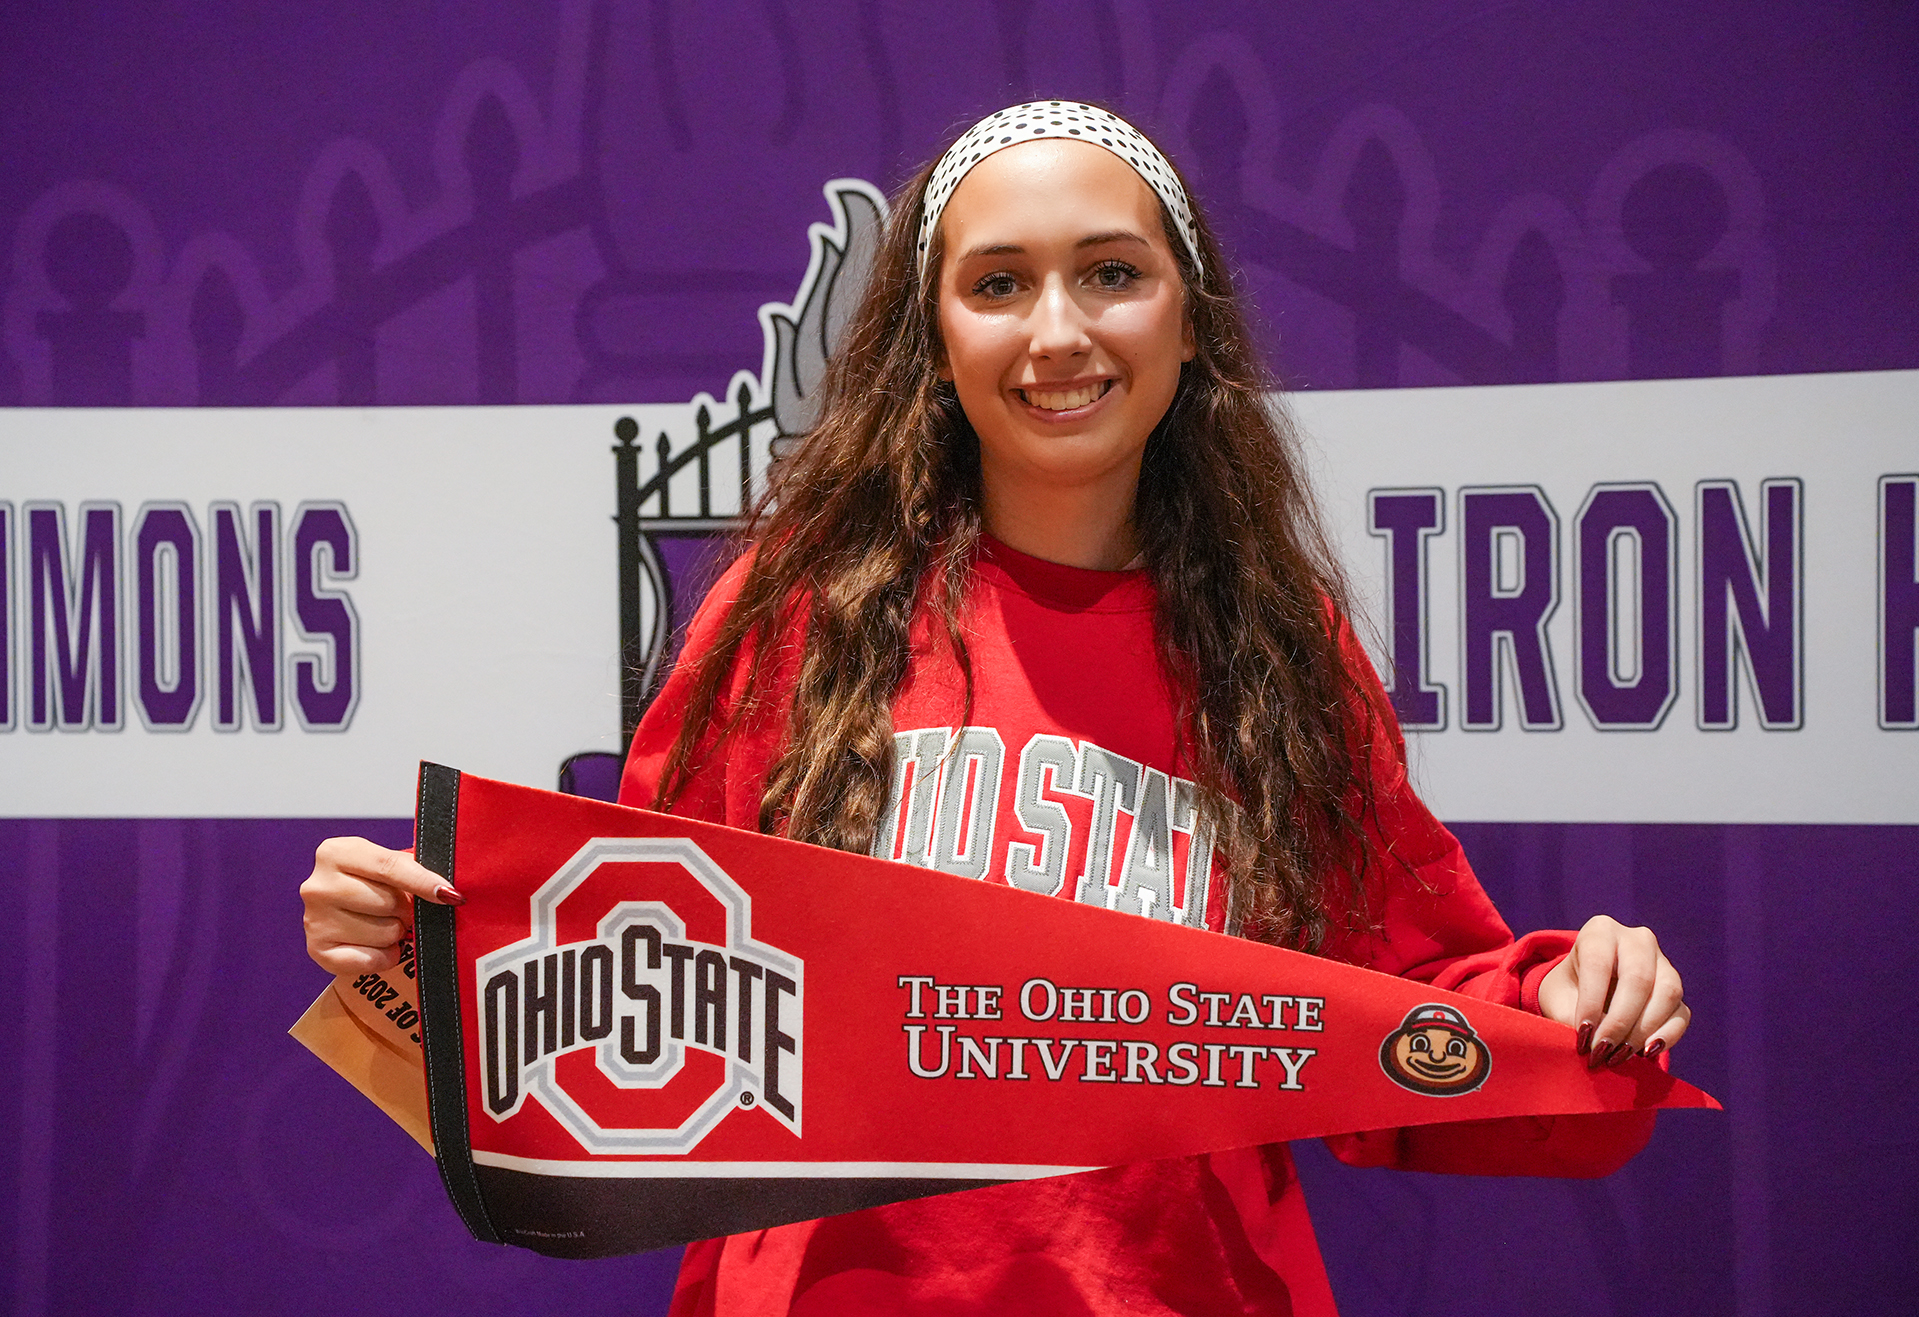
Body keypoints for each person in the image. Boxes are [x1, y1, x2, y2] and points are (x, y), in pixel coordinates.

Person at [302, 101, 1691, 1316]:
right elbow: (631, 980)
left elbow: (1411, 1015)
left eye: (1111, 273)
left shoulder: (1280, 653)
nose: (1058, 331)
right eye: (999, 283)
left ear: (1191, 315)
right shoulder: (799, 613)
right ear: (934, 332)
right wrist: (416, 950)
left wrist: (1570, 1005)